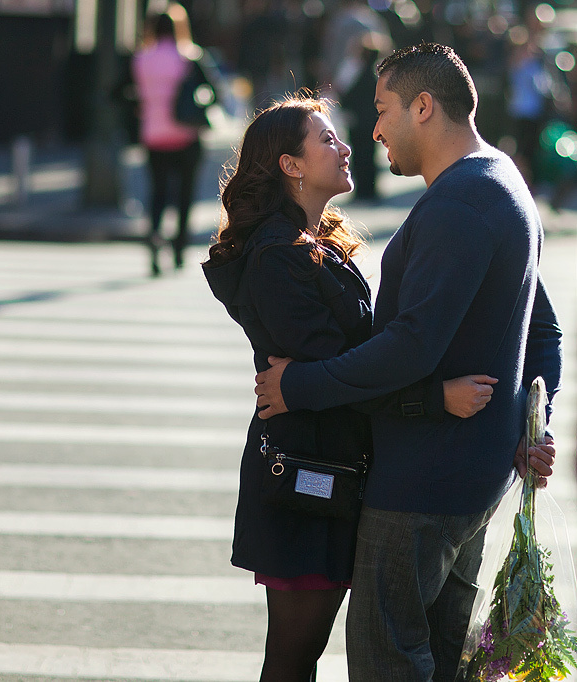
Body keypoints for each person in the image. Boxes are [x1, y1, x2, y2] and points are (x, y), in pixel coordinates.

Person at [253, 44, 562, 681]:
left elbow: (409, 347)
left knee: (385, 662)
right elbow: (545, 333)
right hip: (468, 478)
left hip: (420, 488)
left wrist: (301, 385)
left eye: (383, 108)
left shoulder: (458, 205)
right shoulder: (499, 177)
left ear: (423, 107)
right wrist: (532, 423)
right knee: (437, 664)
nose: (374, 130)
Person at [201, 95, 497, 682]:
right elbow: (339, 376)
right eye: (327, 139)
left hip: (329, 469)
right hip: (304, 478)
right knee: (293, 654)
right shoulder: (276, 259)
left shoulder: (315, 243)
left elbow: (347, 368)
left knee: (299, 652)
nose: (344, 146)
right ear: (292, 165)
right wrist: (435, 397)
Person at [131, 5, 211, 276]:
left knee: (158, 193)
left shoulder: (141, 58)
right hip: (187, 135)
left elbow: (119, 92)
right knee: (185, 195)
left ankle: (154, 238)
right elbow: (213, 90)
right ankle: (178, 249)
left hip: (153, 136)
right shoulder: (190, 57)